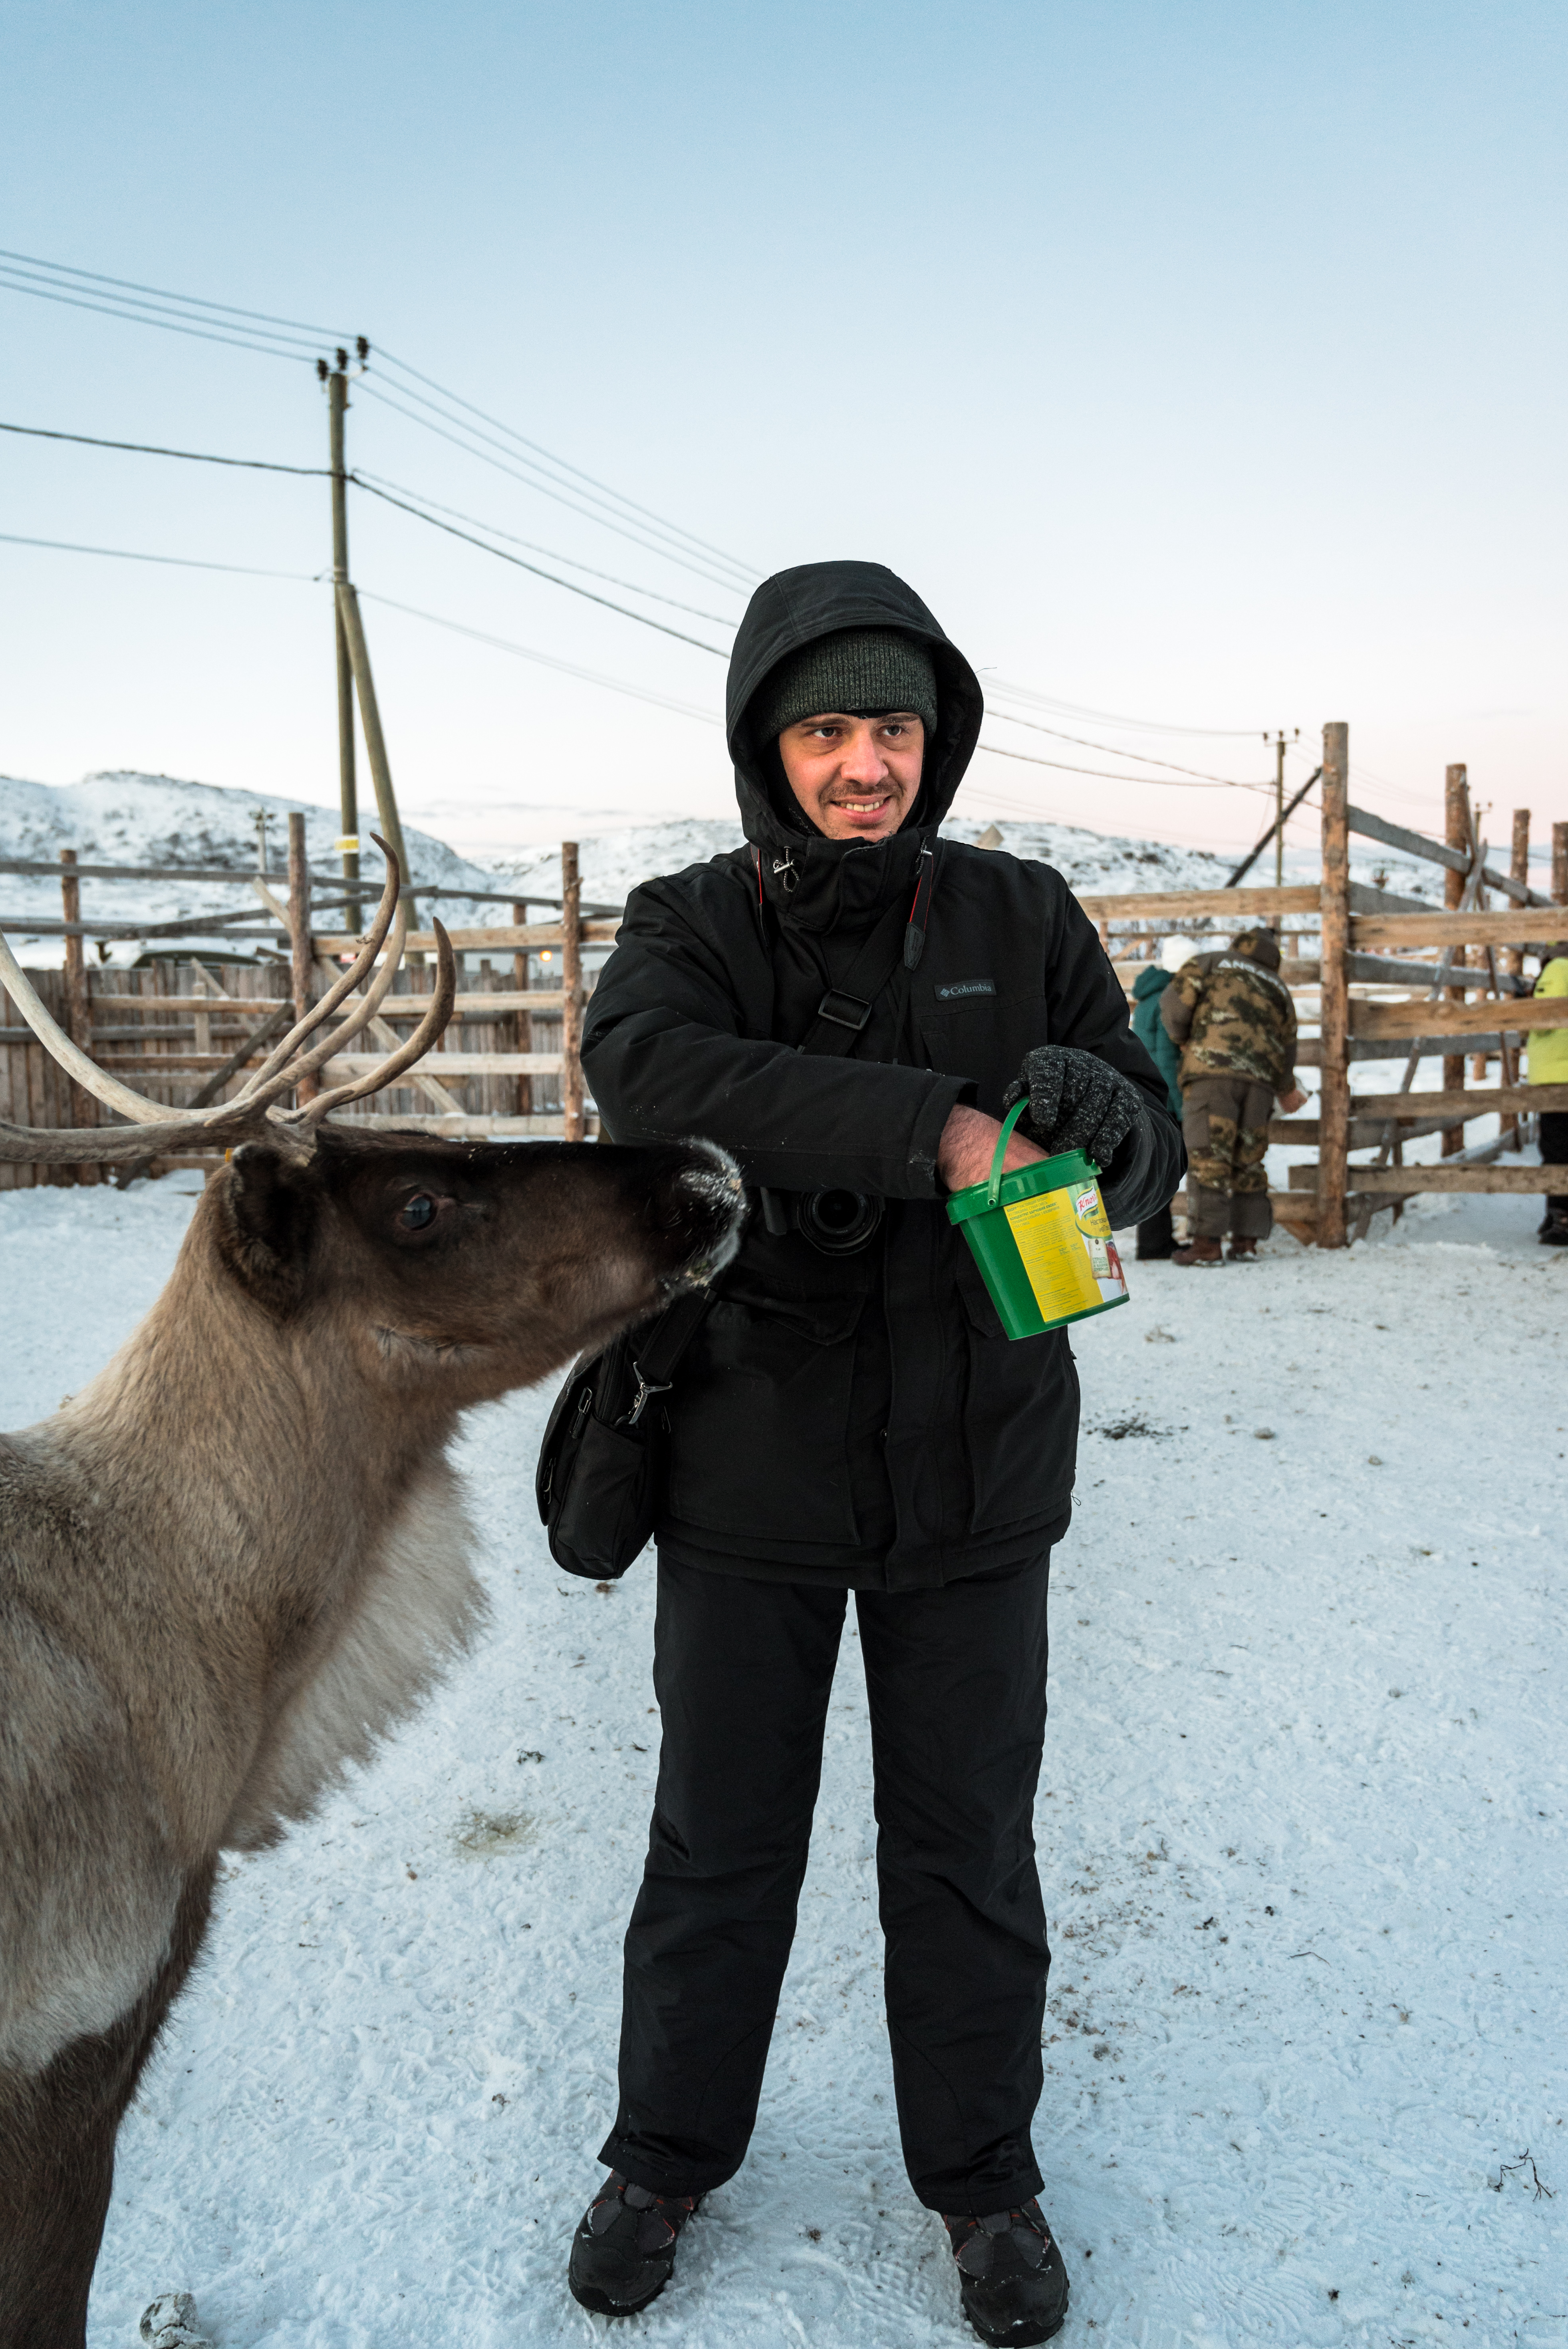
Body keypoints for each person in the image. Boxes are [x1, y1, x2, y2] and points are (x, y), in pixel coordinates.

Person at [570, 559, 1183, 2346]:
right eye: (827, 729)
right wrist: (950, 1129)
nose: (865, 764)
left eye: (895, 727)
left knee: (968, 1846)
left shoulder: (1023, 909)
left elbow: (1146, 1150)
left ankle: (986, 2184)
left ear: (938, 740)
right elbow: (653, 1076)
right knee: (719, 1842)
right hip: (749, 1463)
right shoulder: (692, 922)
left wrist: (1108, 1125)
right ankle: (664, 2158)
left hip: (980, 1468)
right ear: (767, 743)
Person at [1159, 927, 1307, 1265]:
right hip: (1260, 1084)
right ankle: (1246, 1242)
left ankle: (1206, 1245)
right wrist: (1284, 1088)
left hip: (1212, 1073)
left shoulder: (1211, 962)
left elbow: (1173, 1004)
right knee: (1249, 1158)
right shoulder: (1279, 987)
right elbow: (1288, 1046)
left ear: (1239, 944)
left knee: (1208, 1154)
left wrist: (1184, 1040)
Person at [1128, 938, 1188, 1258]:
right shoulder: (1169, 999)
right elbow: (1167, 1060)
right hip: (1164, 1100)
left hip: (1147, 1095)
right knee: (1165, 1171)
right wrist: (1179, 1108)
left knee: (1155, 1171)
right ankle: (1155, 1243)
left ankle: (1154, 1241)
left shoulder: (1149, 998)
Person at [1529, 939, 1568, 1244]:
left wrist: (1523, 1006)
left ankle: (1561, 1219)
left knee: (1557, 1147)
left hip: (1557, 1072)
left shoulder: (1558, 967)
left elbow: (1542, 1018)